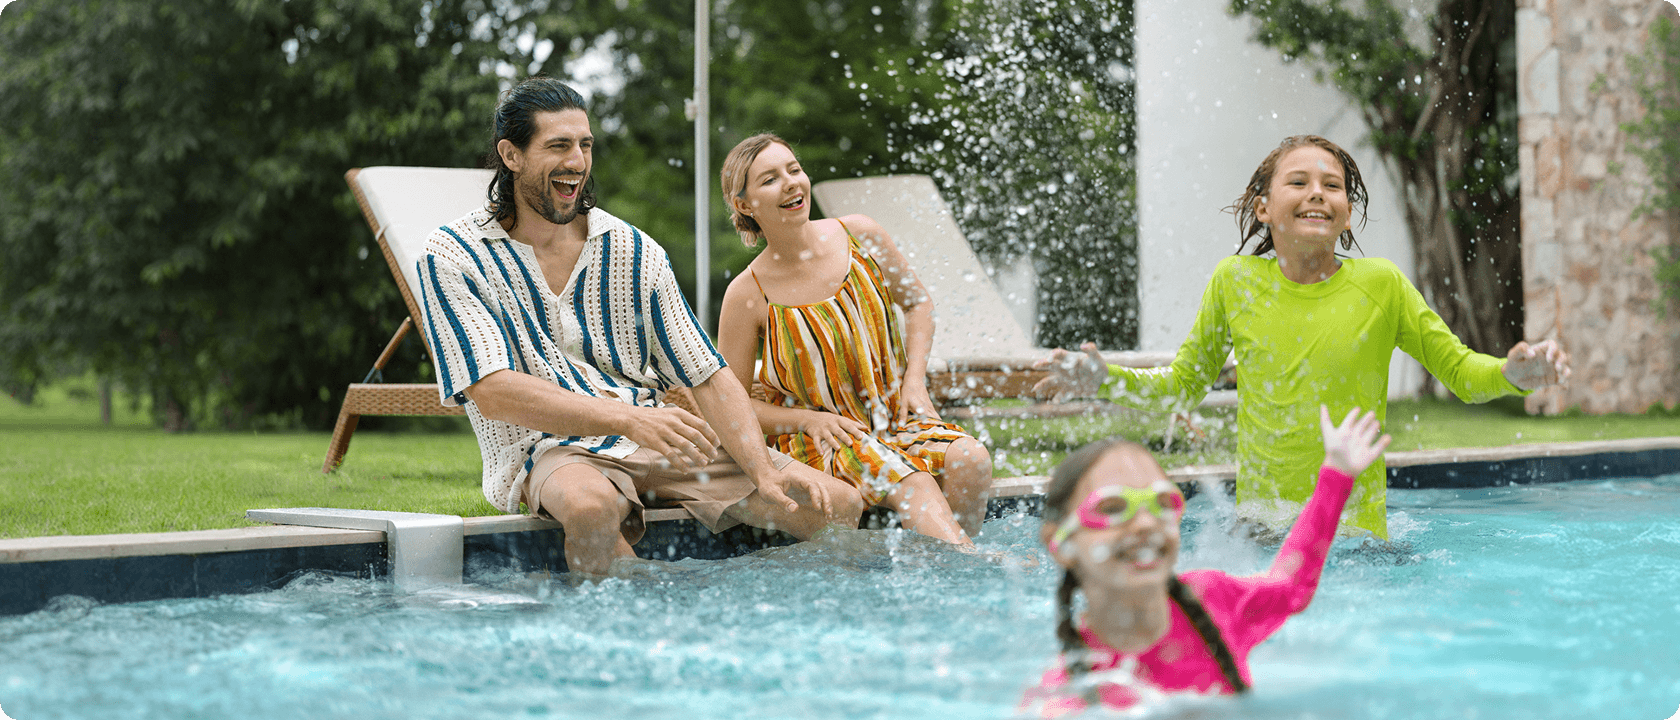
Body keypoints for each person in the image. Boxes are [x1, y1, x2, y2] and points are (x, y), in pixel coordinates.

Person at [416, 79, 864, 576]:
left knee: (836, 506)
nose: (578, 161)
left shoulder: (632, 249)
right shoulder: (453, 255)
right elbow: (493, 391)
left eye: (585, 145)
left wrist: (761, 470)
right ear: (512, 155)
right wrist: (626, 419)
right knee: (591, 510)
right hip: (546, 447)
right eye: (558, 145)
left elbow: (708, 373)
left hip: (653, 438)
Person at [1035, 135, 1569, 539]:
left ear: (1346, 214)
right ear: (1264, 208)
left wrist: (1510, 374)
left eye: (1332, 186)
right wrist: (1107, 379)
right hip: (1261, 533)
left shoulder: (1380, 285)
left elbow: (1460, 373)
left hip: (1354, 538)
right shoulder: (1235, 281)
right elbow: (1182, 386)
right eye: (1299, 182)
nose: (1317, 193)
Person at [1018, 406, 1392, 715]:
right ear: (1061, 543)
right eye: (1113, 508)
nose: (1147, 524)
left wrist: (1336, 474)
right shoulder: (1063, 702)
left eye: (1162, 503)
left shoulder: (1213, 601)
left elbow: (1290, 587)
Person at [713, 133, 993, 544]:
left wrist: (914, 381)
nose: (791, 182)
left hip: (894, 422)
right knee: (913, 482)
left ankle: (940, 570)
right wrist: (809, 419)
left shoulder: (861, 234)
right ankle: (971, 568)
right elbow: (732, 406)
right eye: (770, 179)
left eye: (794, 169)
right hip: (822, 440)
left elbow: (918, 305)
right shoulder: (746, 293)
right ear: (744, 204)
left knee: (972, 458)